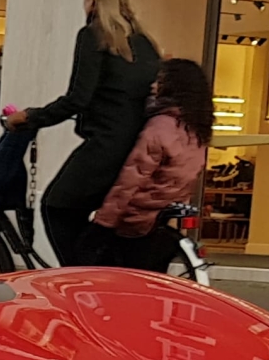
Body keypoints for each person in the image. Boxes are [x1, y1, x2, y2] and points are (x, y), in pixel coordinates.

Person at [3, 0, 162, 265]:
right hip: (138, 147)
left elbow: (78, 99)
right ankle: (99, 268)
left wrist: (30, 117)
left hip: (106, 146)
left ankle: (81, 278)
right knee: (98, 215)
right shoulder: (146, 43)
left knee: (56, 206)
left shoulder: (95, 36)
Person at [73, 58, 214, 271]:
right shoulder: (196, 130)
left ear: (173, 87)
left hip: (137, 217)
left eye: (160, 81)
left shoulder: (160, 126)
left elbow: (131, 179)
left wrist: (103, 222)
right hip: (162, 216)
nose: (153, 86)